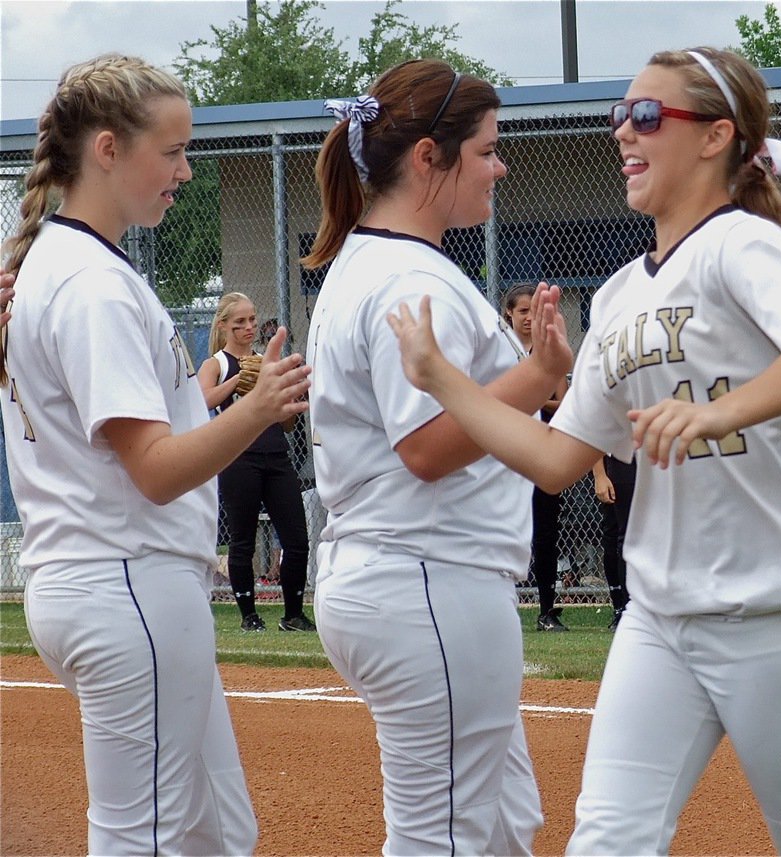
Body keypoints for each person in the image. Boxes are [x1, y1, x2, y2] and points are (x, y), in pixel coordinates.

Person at [388, 45, 781, 856]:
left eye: (649, 115)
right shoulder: (621, 293)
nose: (625, 129)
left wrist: (716, 410)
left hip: (771, 609)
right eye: (620, 114)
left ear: (715, 136)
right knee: (607, 841)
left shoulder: (739, 243)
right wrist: (443, 380)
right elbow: (556, 459)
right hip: (658, 618)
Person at [0, 53, 311, 854]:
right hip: (123, 584)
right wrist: (259, 406)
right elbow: (155, 466)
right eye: (170, 151)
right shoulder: (91, 283)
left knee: (216, 828)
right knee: (149, 835)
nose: (185, 168)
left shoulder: (72, 267)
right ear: (107, 149)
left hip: (115, 579)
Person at [301, 59, 563, 854]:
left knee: (501, 826)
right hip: (424, 576)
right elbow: (424, 447)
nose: (499, 165)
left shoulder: (369, 261)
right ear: (427, 159)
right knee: (441, 837)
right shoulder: (410, 277)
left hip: (398, 572)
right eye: (484, 149)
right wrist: (540, 375)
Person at [199, 292, 315, 632]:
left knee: (296, 539)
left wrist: (288, 394)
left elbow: (287, 423)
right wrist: (239, 380)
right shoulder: (217, 363)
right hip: (238, 456)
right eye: (240, 323)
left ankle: (293, 614)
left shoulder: (266, 360)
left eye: (252, 320)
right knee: (243, 539)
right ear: (223, 326)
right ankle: (249, 616)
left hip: (275, 455)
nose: (249, 327)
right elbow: (201, 399)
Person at [503, 283, 571, 631]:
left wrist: (533, 396)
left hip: (542, 448)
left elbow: (565, 403)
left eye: (534, 310)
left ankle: (547, 608)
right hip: (508, 451)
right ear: (509, 315)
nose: (529, 317)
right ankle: (504, 606)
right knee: (506, 529)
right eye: (522, 311)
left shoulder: (548, 353)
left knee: (545, 532)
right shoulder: (502, 351)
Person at [592, 453, 635, 629]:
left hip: (656, 461)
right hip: (623, 459)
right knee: (624, 537)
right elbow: (594, 429)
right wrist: (599, 474)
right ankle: (624, 609)